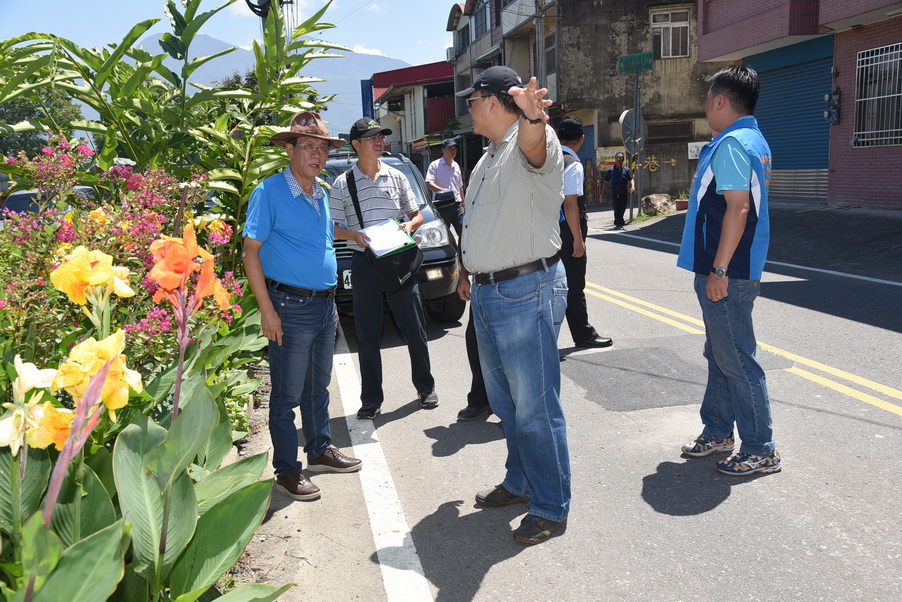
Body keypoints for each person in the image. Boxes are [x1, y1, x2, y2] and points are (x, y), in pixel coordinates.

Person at [456, 66, 570, 545]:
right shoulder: (487, 157)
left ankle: (551, 505)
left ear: (492, 101)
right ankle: (521, 481)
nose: (467, 108)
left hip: (525, 291)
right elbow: (479, 222)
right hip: (489, 293)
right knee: (505, 402)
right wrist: (467, 268)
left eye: (472, 100)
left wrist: (532, 116)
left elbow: (535, 147)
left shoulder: (531, 140)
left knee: (535, 406)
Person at [243, 111, 362, 502]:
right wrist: (268, 311)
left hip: (324, 306)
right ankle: (287, 471)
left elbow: (322, 233)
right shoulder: (269, 192)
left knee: (317, 388)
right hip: (289, 306)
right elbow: (250, 251)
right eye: (308, 146)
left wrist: (352, 235)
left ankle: (319, 450)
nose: (317, 155)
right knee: (286, 395)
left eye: (322, 149)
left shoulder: (319, 193)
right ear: (289, 149)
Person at [677, 65, 780, 476]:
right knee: (720, 353)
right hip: (730, 267)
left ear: (721, 101)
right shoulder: (750, 139)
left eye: (708, 99)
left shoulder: (733, 144)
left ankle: (761, 448)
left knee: (737, 358)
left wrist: (719, 271)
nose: (706, 105)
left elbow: (738, 208)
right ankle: (718, 431)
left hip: (728, 271)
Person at [330, 117, 438, 420]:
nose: (379, 142)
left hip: (398, 260)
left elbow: (416, 215)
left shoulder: (397, 176)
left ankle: (426, 387)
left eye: (381, 136)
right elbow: (334, 227)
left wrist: (409, 225)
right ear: (356, 144)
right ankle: (371, 400)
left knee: (414, 327)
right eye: (372, 138)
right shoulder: (343, 183)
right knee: (367, 333)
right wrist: (353, 235)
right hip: (364, 263)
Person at [557, 116, 613, 349]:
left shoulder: (546, 159)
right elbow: (570, 204)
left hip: (546, 232)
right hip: (566, 233)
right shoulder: (572, 163)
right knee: (574, 285)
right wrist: (578, 240)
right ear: (581, 139)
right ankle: (583, 334)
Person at [425, 138, 465, 237]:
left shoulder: (456, 165)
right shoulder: (435, 165)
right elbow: (429, 183)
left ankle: (461, 248)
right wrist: (444, 192)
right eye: (450, 148)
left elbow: (460, 186)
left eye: (454, 148)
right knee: (443, 235)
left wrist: (464, 203)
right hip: (442, 205)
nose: (453, 151)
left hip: (457, 206)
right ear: (443, 150)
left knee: (464, 232)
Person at [601, 151, 634, 230]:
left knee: (622, 208)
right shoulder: (611, 170)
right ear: (615, 159)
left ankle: (619, 222)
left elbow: (631, 179)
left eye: (621, 158)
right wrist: (603, 193)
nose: (619, 159)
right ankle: (618, 224)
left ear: (623, 159)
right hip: (614, 193)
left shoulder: (626, 170)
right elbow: (606, 182)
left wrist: (633, 186)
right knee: (617, 209)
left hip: (624, 193)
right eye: (617, 158)